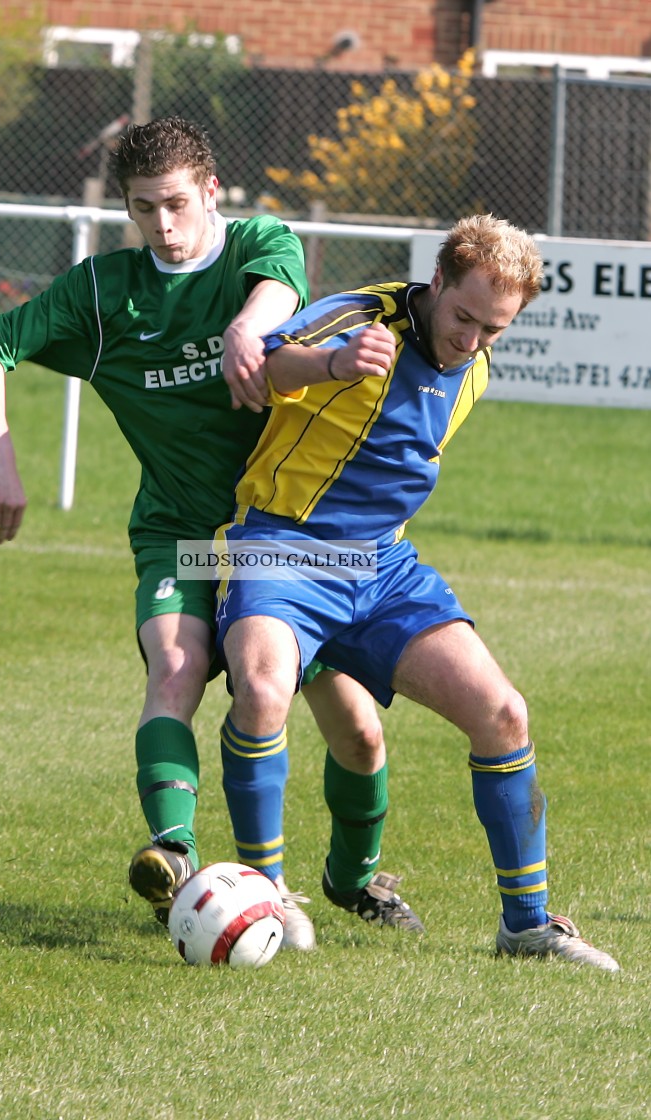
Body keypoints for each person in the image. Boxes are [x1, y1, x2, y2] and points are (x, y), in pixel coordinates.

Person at [0, 116, 413, 952]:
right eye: (142, 210)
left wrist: (245, 328)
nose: (162, 228)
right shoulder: (105, 294)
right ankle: (177, 857)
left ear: (209, 191)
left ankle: (352, 880)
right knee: (175, 664)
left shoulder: (255, 248)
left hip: (281, 539)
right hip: (179, 534)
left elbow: (278, 286)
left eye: (174, 204)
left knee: (358, 731)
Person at [213, 213, 620, 971]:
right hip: (280, 547)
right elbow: (258, 372)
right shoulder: (360, 318)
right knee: (264, 693)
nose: (470, 338)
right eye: (462, 316)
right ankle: (263, 901)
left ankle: (525, 928)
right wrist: (331, 365)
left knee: (502, 713)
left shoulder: (476, 366)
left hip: (381, 568)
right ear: (436, 282)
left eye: (493, 328)